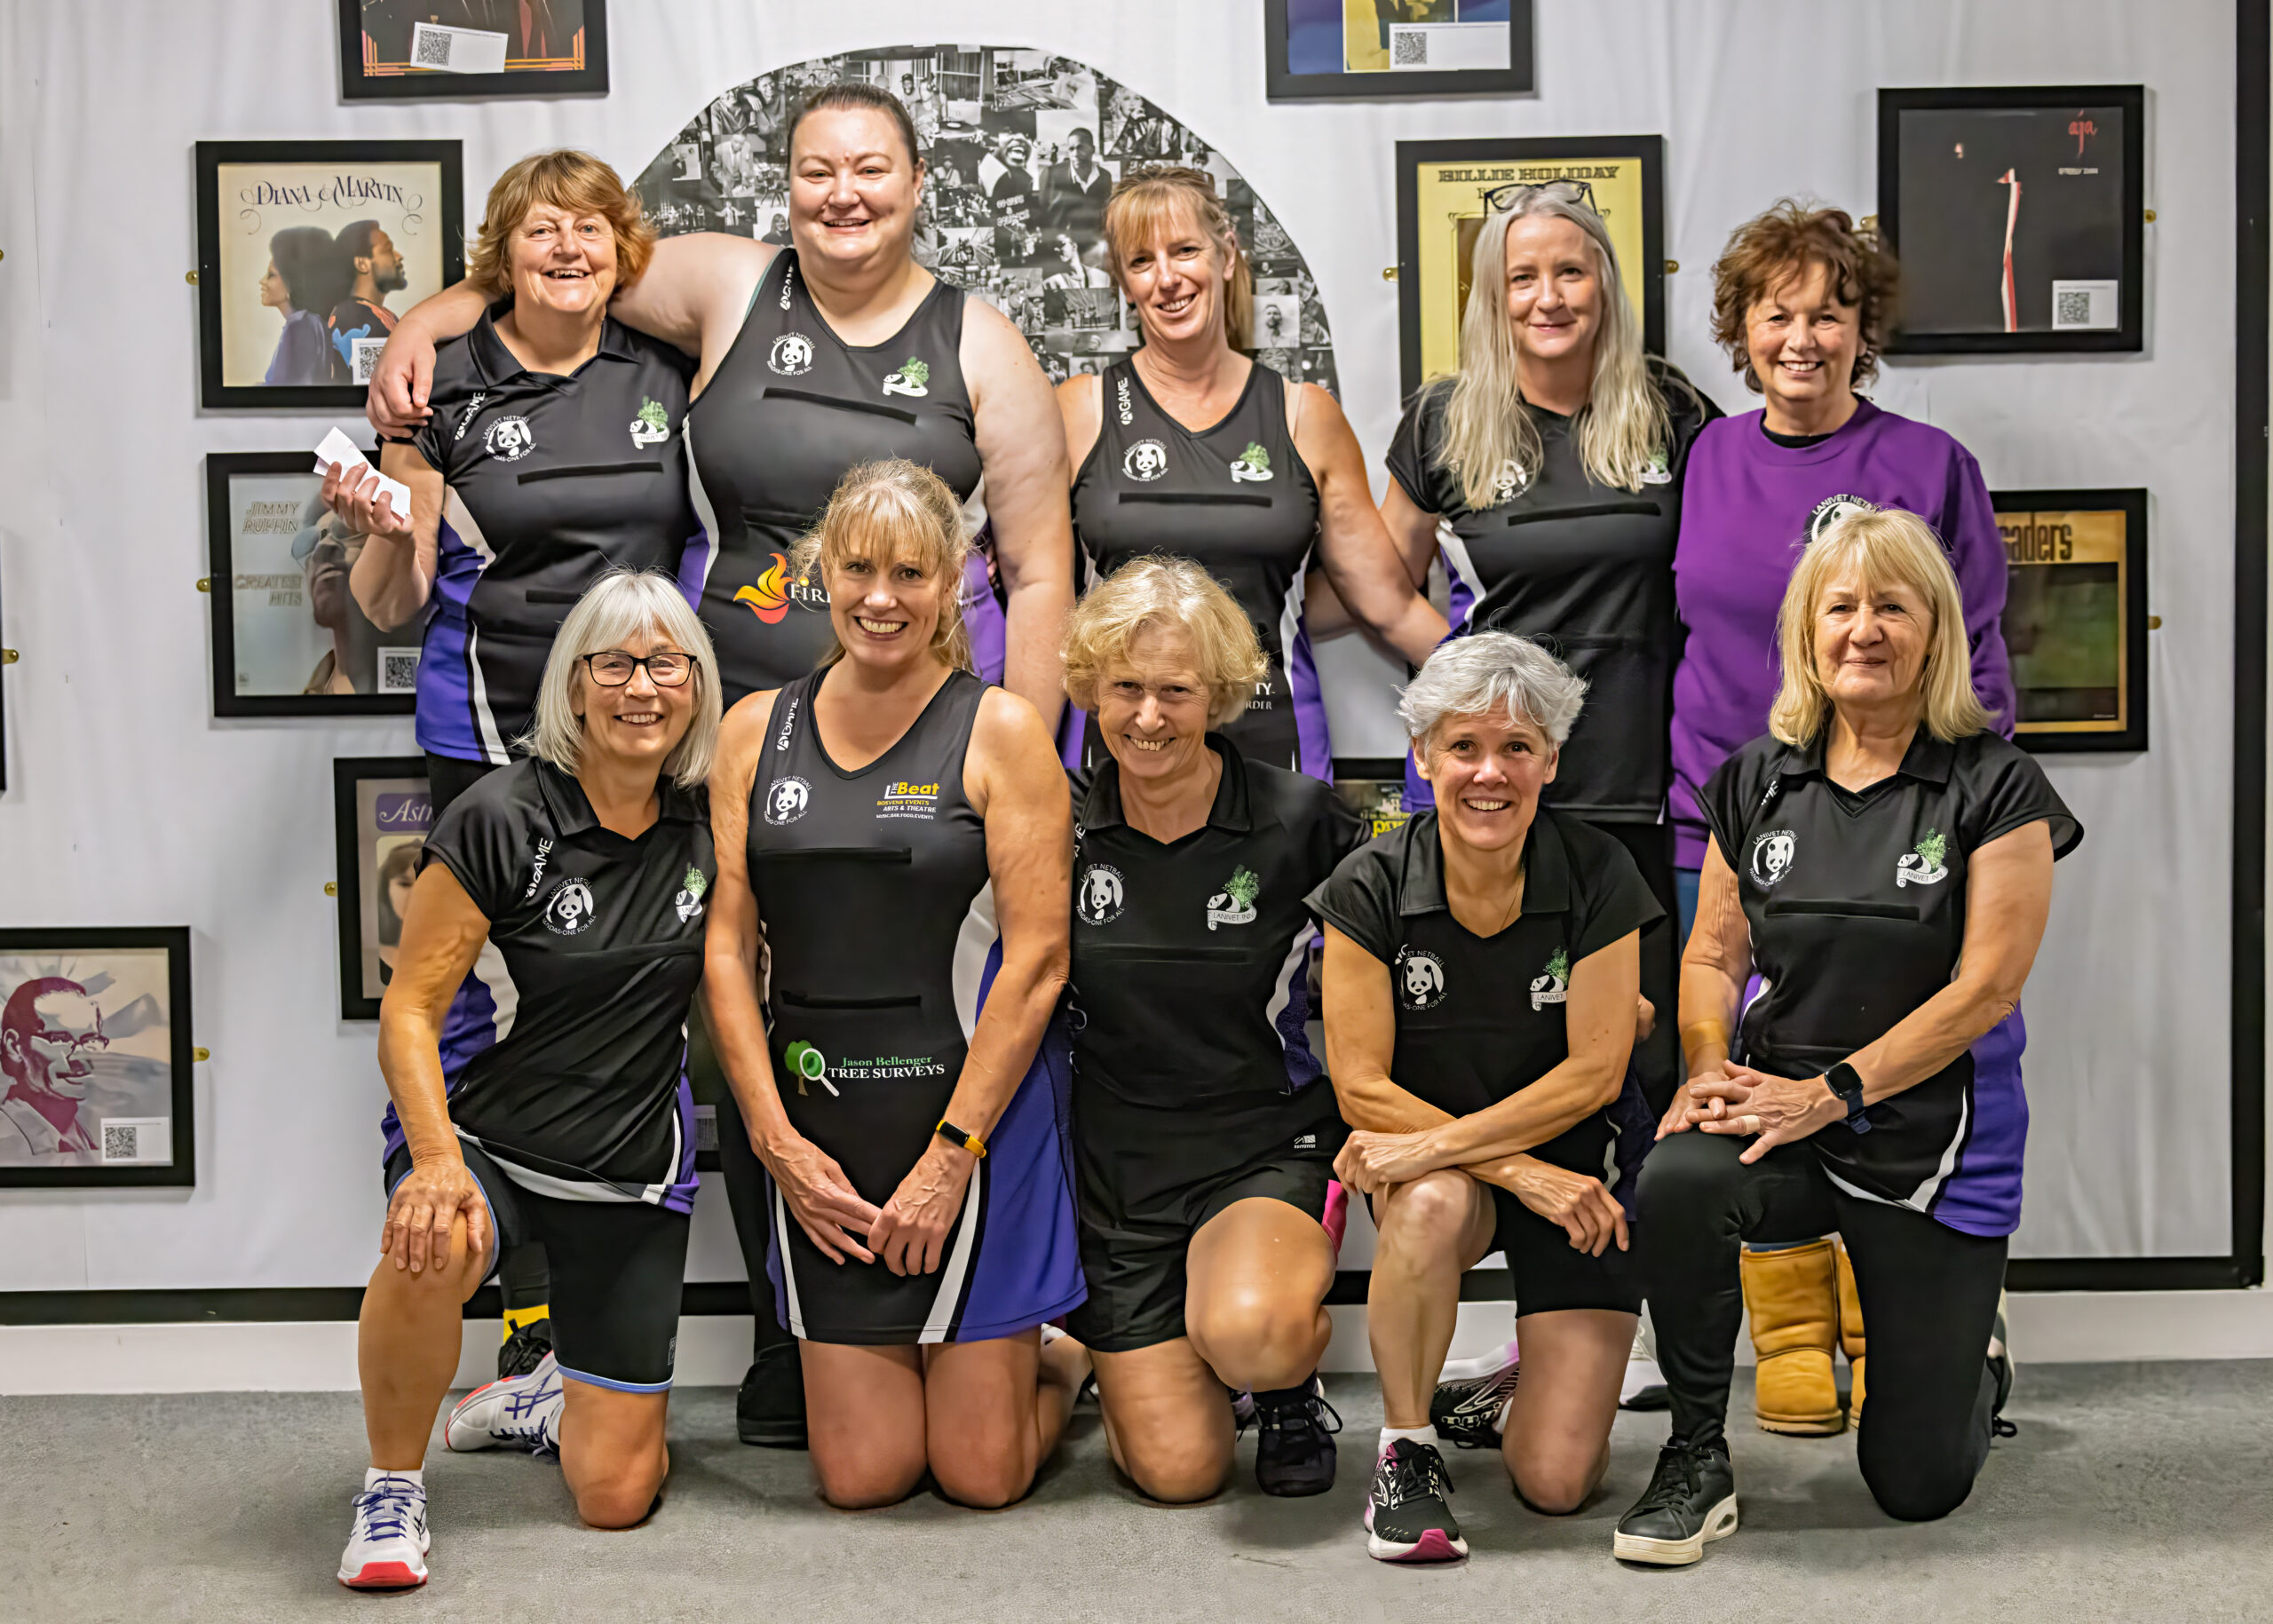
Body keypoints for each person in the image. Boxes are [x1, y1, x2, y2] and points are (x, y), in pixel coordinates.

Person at [367, 83, 1080, 1444]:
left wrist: (1018, 759)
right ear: (785, 184)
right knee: (731, 1010)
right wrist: (426, 322)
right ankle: (782, 1327)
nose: (843, 193)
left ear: (918, 184)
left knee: (900, 1005)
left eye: (870, 169)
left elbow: (1042, 571)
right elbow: (555, 272)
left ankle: (968, 1303)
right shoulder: (725, 284)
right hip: (721, 735)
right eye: (818, 170)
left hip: (926, 746)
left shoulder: (982, 341)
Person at [1616, 507, 2079, 1566]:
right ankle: (1692, 1455)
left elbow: (1986, 989)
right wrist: (1706, 1066)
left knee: (1915, 1484)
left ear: (1935, 630)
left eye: (1891, 607)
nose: (1863, 629)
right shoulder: (1754, 777)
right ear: (1806, 632)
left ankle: (1974, 1361)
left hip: (1930, 1140)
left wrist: (1826, 1092)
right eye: (1840, 607)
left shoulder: (1996, 783)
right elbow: (1712, 953)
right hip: (1779, 1117)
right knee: (1678, 1177)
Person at [325, 147, 707, 1384]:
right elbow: (391, 602)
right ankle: (507, 1312)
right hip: (492, 733)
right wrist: (378, 529)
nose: (567, 249)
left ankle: (587, 1324)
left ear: (622, 250)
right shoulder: (441, 385)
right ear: (502, 254)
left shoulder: (669, 372)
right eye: (542, 229)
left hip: (641, 728)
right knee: (478, 1006)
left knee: (625, 994)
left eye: (590, 229)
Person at [1670, 200, 2015, 1437]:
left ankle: (1898, 1320)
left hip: (1899, 825)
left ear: (1864, 330)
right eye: (1778, 314)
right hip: (1726, 818)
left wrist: (1971, 820)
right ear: (1742, 330)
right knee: (1749, 1065)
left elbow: (1978, 650)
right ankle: (1791, 1333)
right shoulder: (1706, 460)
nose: (1803, 337)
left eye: (1830, 312)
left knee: (1899, 1058)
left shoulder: (1929, 464)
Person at [702, 458, 1088, 1509]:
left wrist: (951, 1156)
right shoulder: (752, 731)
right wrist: (776, 1143)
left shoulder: (1002, 729)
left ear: (954, 582)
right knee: (864, 1476)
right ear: (820, 574)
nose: (882, 597)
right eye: (859, 569)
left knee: (980, 1474)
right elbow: (727, 953)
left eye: (911, 572)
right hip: (825, 1137)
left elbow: (1039, 960)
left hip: (974, 1127)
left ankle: (1063, 1358)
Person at [335, 569, 723, 1589]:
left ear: (696, 684)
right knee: (435, 1239)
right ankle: (390, 1487)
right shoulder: (500, 816)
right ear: (574, 684)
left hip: (629, 1165)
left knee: (616, 1496)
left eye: (666, 664)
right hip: (487, 1140)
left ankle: (545, 1394)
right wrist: (432, 1160)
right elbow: (408, 1011)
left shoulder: (711, 819)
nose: (641, 687)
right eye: (614, 664)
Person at [1308, 633, 1658, 1561]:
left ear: (1551, 760)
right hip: (1458, 1183)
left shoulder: (1599, 871)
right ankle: (1407, 1447)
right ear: (1422, 757)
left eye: (1517, 747)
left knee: (1556, 1483)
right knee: (1428, 1201)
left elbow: (1595, 1073)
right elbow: (1361, 1083)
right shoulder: (1367, 883)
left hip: (1580, 1181)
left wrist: (1444, 1148)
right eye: (1463, 746)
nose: (1489, 772)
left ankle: (1504, 1388)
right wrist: (1515, 1170)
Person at [1056, 558, 1364, 1501]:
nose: (1148, 716)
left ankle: (1283, 1384)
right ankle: (1092, 1353)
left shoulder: (1301, 818)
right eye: (1125, 687)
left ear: (1220, 695)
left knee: (1253, 1334)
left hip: (1260, 1145)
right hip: (1118, 1173)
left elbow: (1403, 957)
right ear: (1090, 689)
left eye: (1176, 691)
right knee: (1177, 1472)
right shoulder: (1058, 822)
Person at [1062, 166, 1447, 780]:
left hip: (1272, 742)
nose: (1167, 277)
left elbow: (1391, 607)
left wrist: (1505, 692)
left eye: (1185, 250)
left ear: (1228, 254)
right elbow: (1035, 594)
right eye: (1141, 261)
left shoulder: (1304, 416)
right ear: (1124, 284)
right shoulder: (1079, 412)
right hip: (1123, 744)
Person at [0, 978, 104, 1160]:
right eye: (60, 1039)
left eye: (90, 1040)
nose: (80, 1058)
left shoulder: (83, 1135)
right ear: (14, 1046)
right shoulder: (7, 1141)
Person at [260, 226, 351, 385]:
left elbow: (292, 389)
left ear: (292, 282)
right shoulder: (311, 323)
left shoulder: (300, 326)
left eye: (271, 275)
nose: (262, 281)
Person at [328, 220, 411, 380]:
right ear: (362, 264)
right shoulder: (353, 318)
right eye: (388, 250)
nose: (399, 256)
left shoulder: (378, 314)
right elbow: (371, 385)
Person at [1041, 127, 1110, 241]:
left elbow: (1105, 215)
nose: (1076, 154)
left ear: (1092, 149)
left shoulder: (1105, 177)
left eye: (1081, 148)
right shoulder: (1052, 174)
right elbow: (1043, 214)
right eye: (1071, 149)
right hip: (1061, 244)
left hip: (1094, 243)